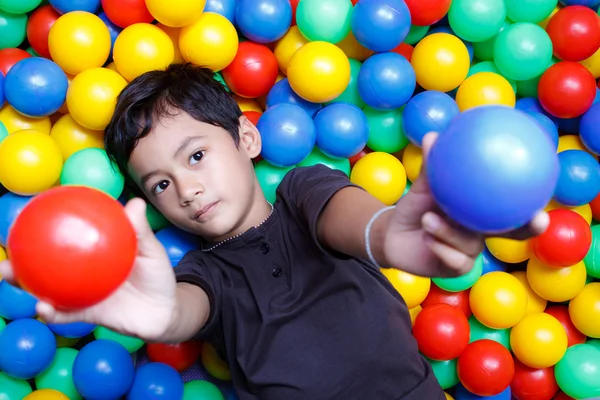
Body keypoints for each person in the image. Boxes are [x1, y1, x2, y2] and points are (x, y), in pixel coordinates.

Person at [0, 63, 548, 399]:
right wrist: (159, 315)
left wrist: (393, 237)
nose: (187, 189)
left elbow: (358, 222)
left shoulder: (303, 193)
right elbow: (183, 308)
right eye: (161, 185)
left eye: (195, 155)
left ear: (246, 139)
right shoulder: (202, 273)